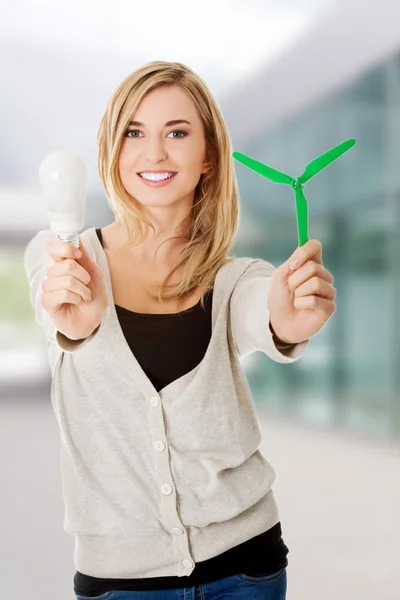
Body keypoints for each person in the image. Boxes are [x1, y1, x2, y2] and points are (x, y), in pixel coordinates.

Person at [24, 60, 336, 600]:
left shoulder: (237, 278)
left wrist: (289, 317)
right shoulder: (61, 259)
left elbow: (266, 311)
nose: (155, 153)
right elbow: (50, 306)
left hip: (247, 569)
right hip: (119, 580)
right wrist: (73, 323)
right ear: (112, 150)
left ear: (209, 154)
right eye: (134, 132)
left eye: (177, 132)